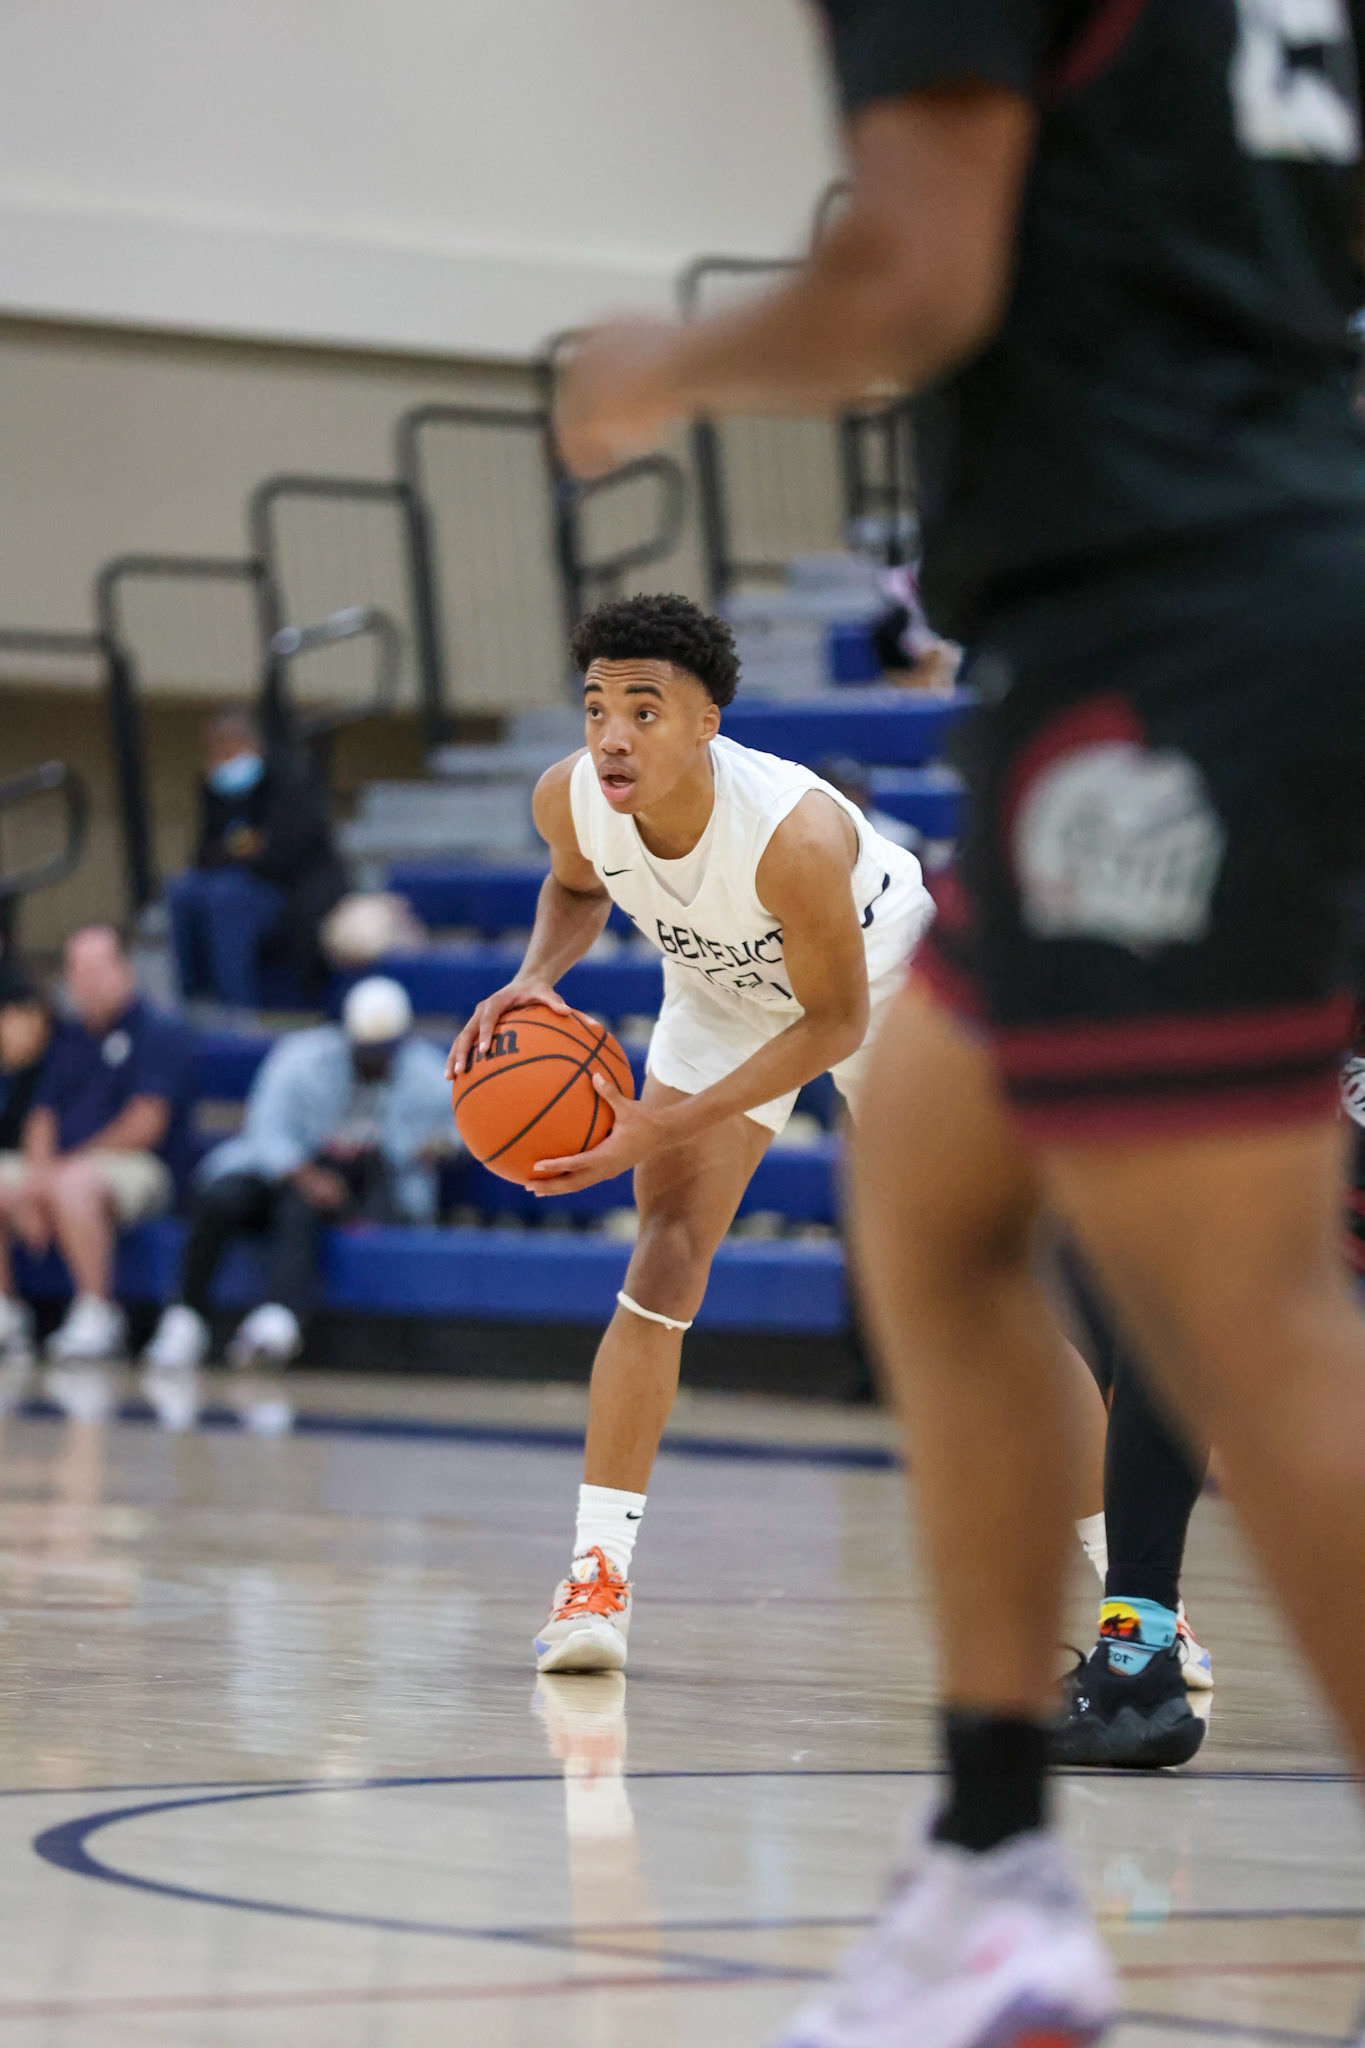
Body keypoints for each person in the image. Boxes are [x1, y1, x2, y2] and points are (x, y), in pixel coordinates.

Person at [555, 5, 1365, 2044]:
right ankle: (995, 1874)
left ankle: (1029, 1823)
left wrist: (665, 365)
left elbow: (919, 270)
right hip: (1180, 600)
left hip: (1167, 622)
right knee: (925, 1174)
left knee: (1242, 1311)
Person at [447, 592, 933, 1676]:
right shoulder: (570, 798)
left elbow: (834, 1023)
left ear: (707, 722)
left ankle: (1137, 1603)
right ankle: (594, 1582)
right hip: (724, 992)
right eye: (596, 708)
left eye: (644, 710)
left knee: (978, 1289)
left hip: (883, 989)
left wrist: (658, 1122)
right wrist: (533, 978)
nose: (612, 736)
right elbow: (575, 886)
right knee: (662, 1256)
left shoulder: (792, 834)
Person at [142, 976, 454, 1374]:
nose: (376, 1061)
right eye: (367, 1050)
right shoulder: (301, 1060)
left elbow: (466, 1127)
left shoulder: (426, 1072)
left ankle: (277, 1321)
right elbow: (266, 1129)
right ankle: (185, 1317)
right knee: (221, 1197)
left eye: (385, 1051)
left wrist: (437, 1145)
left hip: (361, 1192)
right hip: (275, 1174)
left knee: (300, 1206)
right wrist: (305, 1175)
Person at [0, 927, 196, 1366]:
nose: (86, 983)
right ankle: (6, 1311)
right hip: (63, 1165)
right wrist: (39, 1177)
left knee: (75, 1183)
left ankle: (97, 1311)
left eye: (97, 969)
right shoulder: (67, 1039)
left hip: (138, 1167)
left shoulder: (160, 1032)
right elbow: (41, 1116)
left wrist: (60, 1172)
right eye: (77, 971)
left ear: (125, 970)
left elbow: (145, 1125)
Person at [165, 708, 346, 1009]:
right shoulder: (214, 789)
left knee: (226, 897)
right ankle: (193, 1001)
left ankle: (237, 1010)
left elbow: (282, 852)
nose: (219, 759)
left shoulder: (291, 779)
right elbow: (205, 853)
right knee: (183, 890)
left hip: (291, 894)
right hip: (237, 881)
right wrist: (242, 849)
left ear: (249, 745)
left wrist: (237, 852)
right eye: (213, 750)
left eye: (226, 749)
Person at [0, 972, 54, 1367]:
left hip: (38, 1166)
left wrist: (37, 1189)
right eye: (20, 1014)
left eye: (37, 1016)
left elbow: (42, 1130)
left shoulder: (50, 1069)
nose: (30, 1025)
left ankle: (6, 1310)